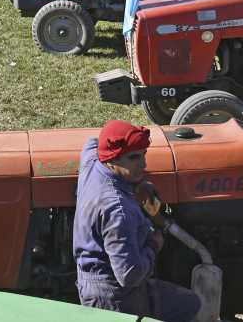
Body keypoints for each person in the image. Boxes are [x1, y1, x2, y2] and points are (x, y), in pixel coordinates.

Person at [74, 119, 201, 321]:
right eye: (134, 158)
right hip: (115, 297)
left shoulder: (92, 163)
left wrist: (137, 182)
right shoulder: (118, 211)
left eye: (143, 155)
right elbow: (129, 275)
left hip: (91, 282)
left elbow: (92, 142)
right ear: (111, 159)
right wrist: (154, 245)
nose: (144, 164)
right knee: (189, 305)